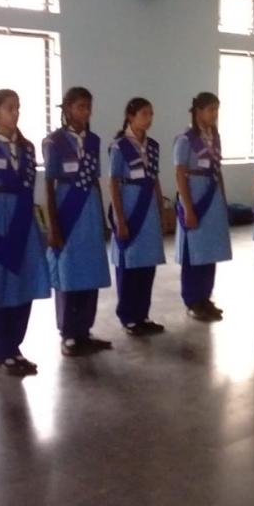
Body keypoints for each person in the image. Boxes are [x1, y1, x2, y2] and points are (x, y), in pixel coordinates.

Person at [0, 89, 50, 375]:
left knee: (25, 284)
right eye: (9, 108)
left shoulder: (27, 148)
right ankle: (0, 351)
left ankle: (14, 347)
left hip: (24, 223)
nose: (15, 113)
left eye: (18, 107)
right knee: (0, 289)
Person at [45, 87, 112, 355]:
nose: (86, 112)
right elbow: (48, 184)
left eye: (89, 107)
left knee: (90, 271)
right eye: (81, 106)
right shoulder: (54, 142)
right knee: (69, 272)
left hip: (90, 211)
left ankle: (84, 330)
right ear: (68, 109)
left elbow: (95, 180)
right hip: (67, 209)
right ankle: (69, 333)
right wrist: (53, 225)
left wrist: (102, 218)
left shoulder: (94, 140)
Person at [108, 97, 166, 335]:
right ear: (130, 116)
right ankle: (128, 317)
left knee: (147, 264)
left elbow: (154, 178)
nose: (149, 118)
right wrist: (120, 219)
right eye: (144, 114)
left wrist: (161, 207)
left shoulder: (152, 146)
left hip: (148, 207)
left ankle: (143, 315)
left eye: (151, 114)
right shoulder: (119, 146)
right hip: (130, 206)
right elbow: (113, 182)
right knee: (129, 264)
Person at [174, 92, 232, 321]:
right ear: (198, 111)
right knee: (194, 252)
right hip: (196, 198)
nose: (214, 114)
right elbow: (180, 174)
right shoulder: (185, 140)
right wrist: (188, 208)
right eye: (211, 109)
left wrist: (223, 201)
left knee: (210, 251)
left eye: (217, 110)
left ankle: (205, 298)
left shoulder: (215, 137)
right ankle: (192, 301)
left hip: (213, 198)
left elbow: (218, 171)